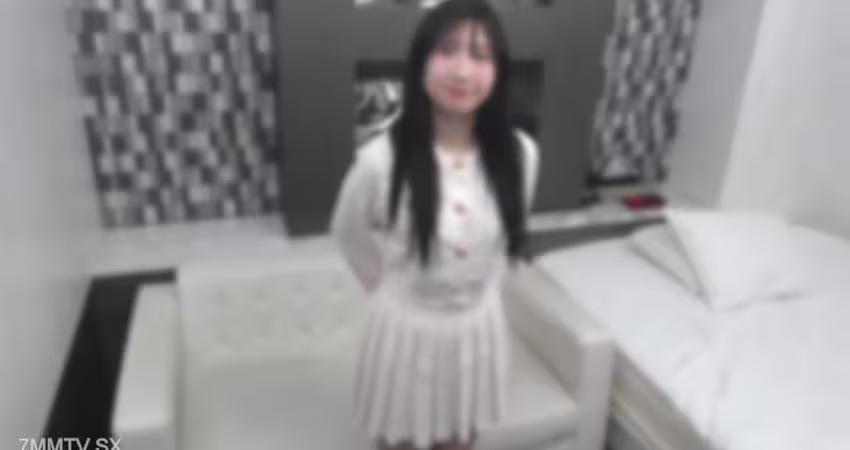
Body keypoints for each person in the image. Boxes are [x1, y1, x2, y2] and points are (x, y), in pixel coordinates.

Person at [331, 1, 540, 449]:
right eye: (447, 50)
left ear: (499, 70)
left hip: (476, 332)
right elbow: (347, 232)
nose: (462, 71)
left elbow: (503, 242)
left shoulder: (522, 155)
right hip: (405, 334)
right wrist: (390, 288)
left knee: (462, 439)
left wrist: (477, 293)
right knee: (399, 440)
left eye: (480, 55)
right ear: (421, 61)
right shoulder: (379, 160)